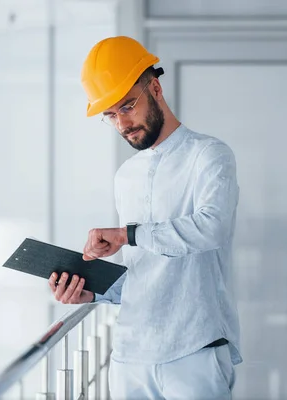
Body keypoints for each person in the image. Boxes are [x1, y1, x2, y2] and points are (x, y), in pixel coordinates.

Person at [48, 36, 242, 399]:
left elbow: (212, 228)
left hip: (194, 351)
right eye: (110, 115)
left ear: (155, 87)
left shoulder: (210, 156)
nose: (122, 123)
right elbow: (145, 277)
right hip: (129, 359)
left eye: (128, 106)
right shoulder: (126, 176)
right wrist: (93, 291)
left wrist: (127, 235)